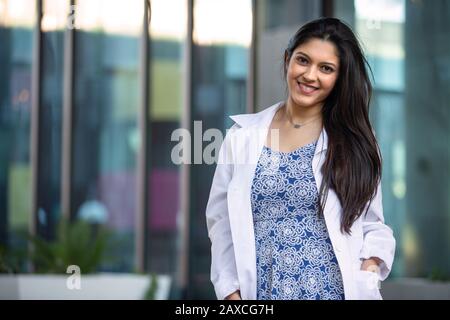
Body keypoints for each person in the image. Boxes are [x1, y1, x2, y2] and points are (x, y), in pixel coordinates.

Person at [205, 17, 395, 300]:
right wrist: (230, 293)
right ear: (287, 60)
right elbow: (220, 222)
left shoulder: (356, 143)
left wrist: (368, 269)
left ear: (339, 78)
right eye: (303, 60)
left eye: (326, 68)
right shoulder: (242, 136)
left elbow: (372, 224)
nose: (310, 75)